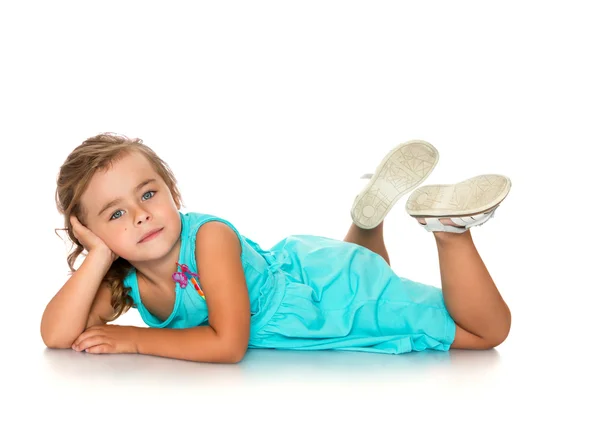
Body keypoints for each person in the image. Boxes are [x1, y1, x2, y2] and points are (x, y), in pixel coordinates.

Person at [41, 134, 512, 363]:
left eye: (147, 194)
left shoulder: (209, 238)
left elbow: (228, 344)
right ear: (91, 231)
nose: (141, 214)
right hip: (311, 280)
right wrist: (99, 255)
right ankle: (365, 221)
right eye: (115, 214)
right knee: (372, 272)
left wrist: (136, 339)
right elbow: (56, 335)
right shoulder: (126, 277)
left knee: (483, 333)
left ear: (172, 192)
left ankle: (450, 231)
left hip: (326, 295)